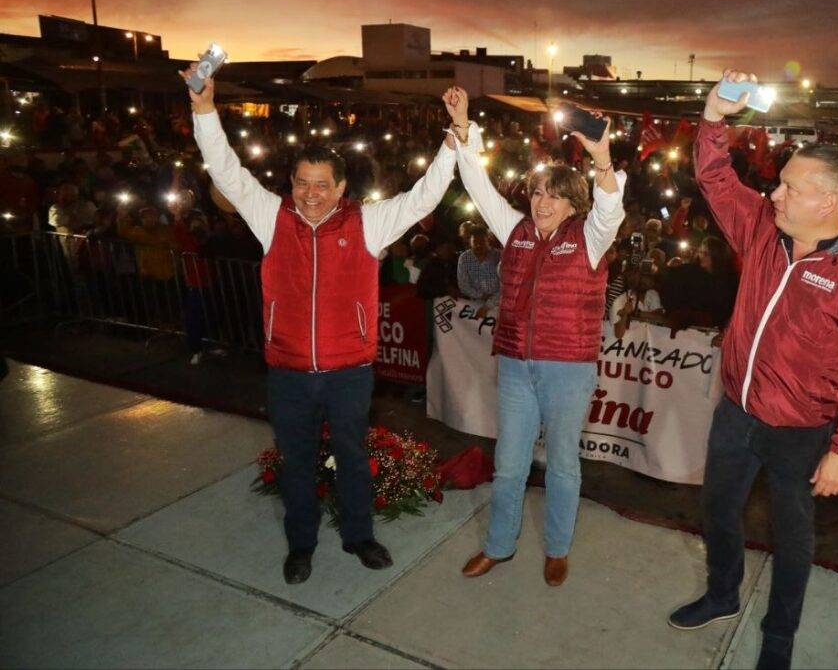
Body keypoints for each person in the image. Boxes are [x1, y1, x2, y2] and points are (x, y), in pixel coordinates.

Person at [183, 64, 457, 584]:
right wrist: (203, 110)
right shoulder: (272, 216)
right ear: (292, 184)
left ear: (341, 187)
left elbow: (424, 196)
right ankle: (301, 544)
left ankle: (360, 536)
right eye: (303, 183)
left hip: (349, 370)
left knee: (352, 457)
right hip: (287, 370)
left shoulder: (367, 223)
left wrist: (454, 139)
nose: (311, 193)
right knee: (297, 462)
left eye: (322, 185)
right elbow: (225, 170)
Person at [668, 71, 838, 670]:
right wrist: (714, 117)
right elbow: (716, 178)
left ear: (829, 202)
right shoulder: (764, 233)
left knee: (791, 539)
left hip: (802, 432)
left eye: (790, 187)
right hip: (736, 412)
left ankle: (779, 635)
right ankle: (722, 594)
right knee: (717, 511)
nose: (774, 194)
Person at [448, 86, 625, 587]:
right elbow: (478, 186)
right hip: (514, 366)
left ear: (573, 201)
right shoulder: (516, 231)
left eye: (552, 193)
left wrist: (603, 158)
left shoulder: (590, 237)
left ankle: (557, 547)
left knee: (564, 463)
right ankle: (500, 546)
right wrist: (464, 131)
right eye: (536, 192)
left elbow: (611, 208)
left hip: (568, 368)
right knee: (508, 464)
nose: (540, 201)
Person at [457, 224, 501, 314]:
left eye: (482, 242)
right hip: (475, 305)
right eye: (475, 242)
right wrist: (481, 296)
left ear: (488, 240)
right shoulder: (464, 258)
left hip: (498, 305)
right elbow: (463, 285)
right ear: (470, 242)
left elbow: (505, 284)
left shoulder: (498, 256)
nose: (478, 245)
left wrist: (491, 302)